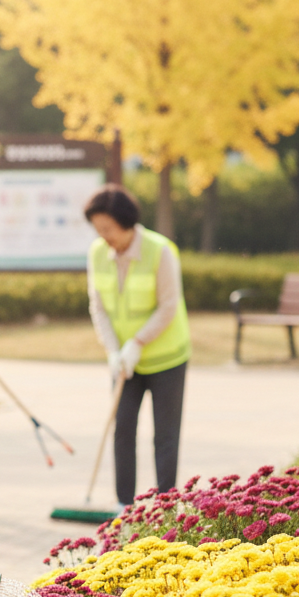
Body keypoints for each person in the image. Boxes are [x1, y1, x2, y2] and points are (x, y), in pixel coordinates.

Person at [84, 184, 190, 512]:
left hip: (166, 358)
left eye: (108, 229)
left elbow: (169, 306)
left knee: (165, 435)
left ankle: (166, 507)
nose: (103, 237)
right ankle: (123, 505)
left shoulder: (160, 251)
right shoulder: (97, 253)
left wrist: (138, 342)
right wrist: (113, 351)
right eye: (98, 230)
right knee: (123, 428)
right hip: (124, 361)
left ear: (126, 222)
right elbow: (98, 306)